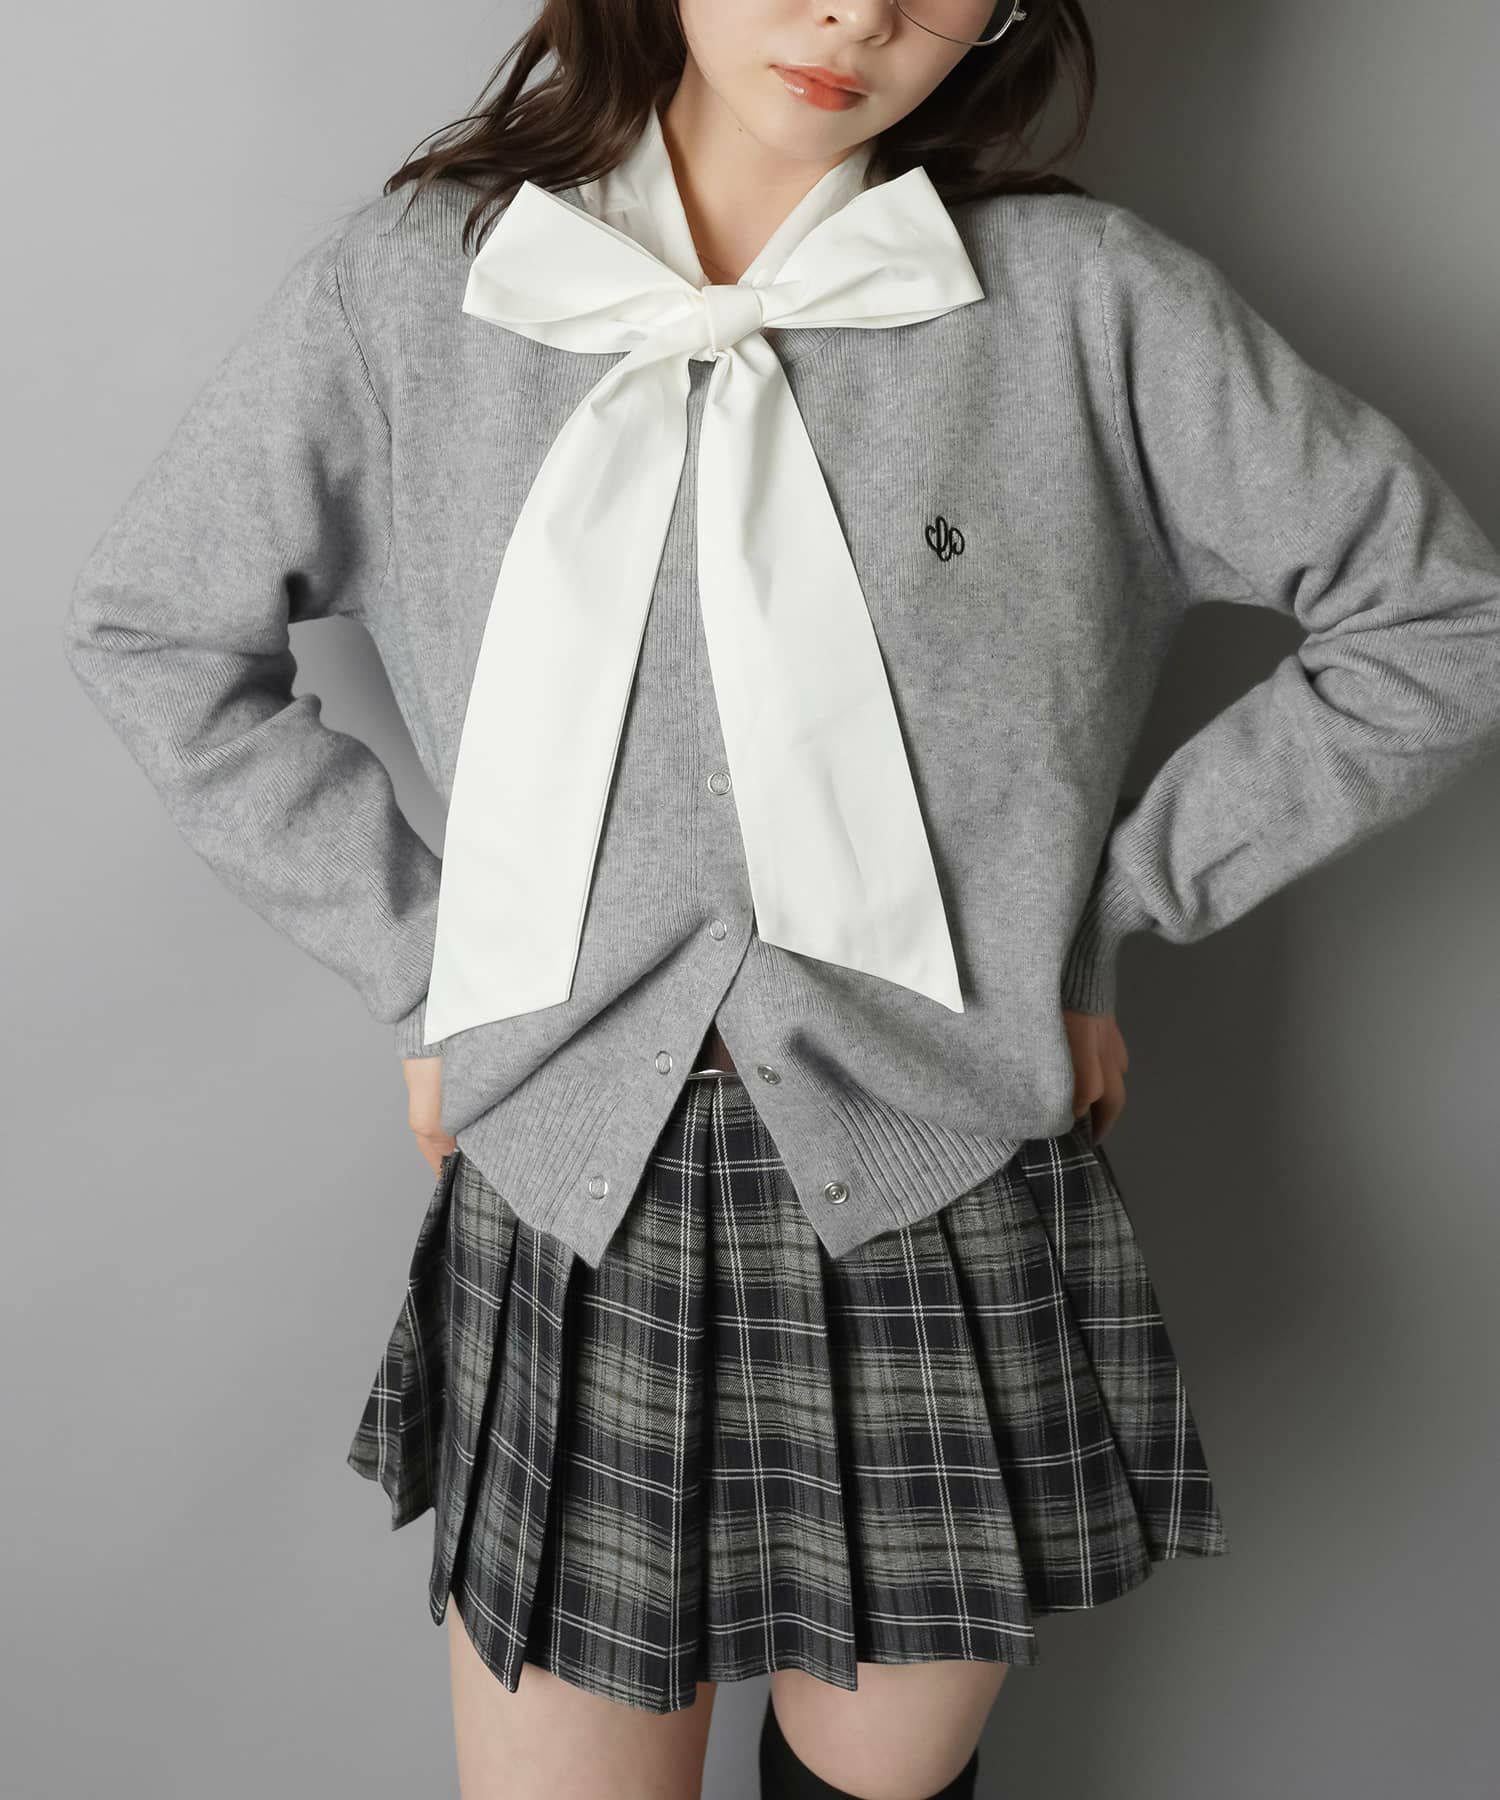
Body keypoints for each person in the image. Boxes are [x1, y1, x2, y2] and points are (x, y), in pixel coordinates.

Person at [62, 2, 1500, 1797]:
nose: (858, 14)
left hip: (941, 1169)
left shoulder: (1083, 303)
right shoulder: (422, 288)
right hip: (573, 1186)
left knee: (878, 1789)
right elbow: (158, 628)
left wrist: (1102, 910)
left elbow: (1435, 619)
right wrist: (429, 965)